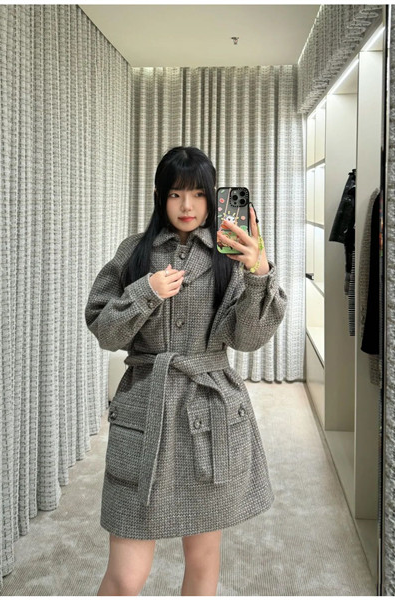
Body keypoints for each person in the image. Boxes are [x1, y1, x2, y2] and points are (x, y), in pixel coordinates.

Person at [85, 146, 287, 595]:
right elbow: (104, 330)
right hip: (145, 410)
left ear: (213, 198)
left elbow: (248, 339)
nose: (187, 206)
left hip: (208, 414)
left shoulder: (229, 256)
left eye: (198, 194)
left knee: (202, 561)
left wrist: (258, 271)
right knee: (125, 576)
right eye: (176, 194)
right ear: (161, 197)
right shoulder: (133, 253)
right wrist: (146, 292)